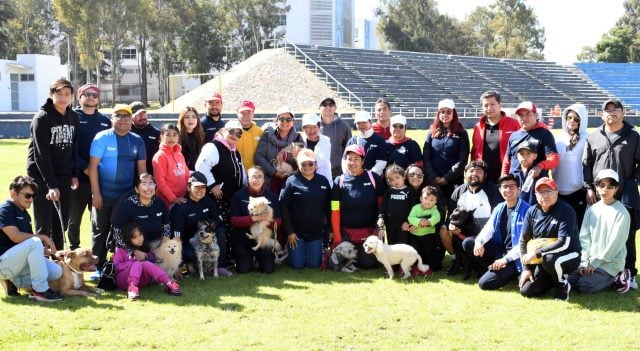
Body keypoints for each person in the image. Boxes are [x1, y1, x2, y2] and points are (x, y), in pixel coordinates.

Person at [583, 98, 640, 290]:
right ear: (601, 115)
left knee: (628, 235)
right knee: (600, 232)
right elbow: (587, 164)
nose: (611, 113)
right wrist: (589, 187)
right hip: (601, 193)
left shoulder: (633, 136)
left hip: (625, 193)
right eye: (607, 110)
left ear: (623, 113)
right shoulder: (593, 136)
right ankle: (603, 269)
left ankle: (629, 273)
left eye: (616, 110)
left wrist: (633, 182)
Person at [89, 104, 146, 278]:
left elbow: (142, 170)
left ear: (131, 120)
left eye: (126, 116)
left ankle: (121, 263)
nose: (122, 119)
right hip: (104, 195)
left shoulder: (137, 139)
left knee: (124, 231)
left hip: (127, 196)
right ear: (111, 119)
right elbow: (92, 168)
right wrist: (96, 194)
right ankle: (96, 266)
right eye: (118, 116)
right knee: (100, 231)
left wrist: (142, 192)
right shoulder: (102, 138)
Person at [26, 78, 79, 251]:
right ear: (51, 94)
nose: (63, 98)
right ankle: (41, 265)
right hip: (42, 177)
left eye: (67, 94)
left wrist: (74, 174)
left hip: (63, 175)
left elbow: (74, 147)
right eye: (59, 94)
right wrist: (51, 185)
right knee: (44, 224)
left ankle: (58, 265)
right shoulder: (42, 118)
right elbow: (41, 155)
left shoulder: (73, 117)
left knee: (61, 223)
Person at [0, 175, 63, 301]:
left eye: (33, 196)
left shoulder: (24, 213)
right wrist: (43, 237)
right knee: (35, 241)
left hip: (16, 263)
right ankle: (40, 291)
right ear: (13, 193)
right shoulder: (5, 209)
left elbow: (30, 248)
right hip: (3, 263)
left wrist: (53, 253)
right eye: (27, 196)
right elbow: (15, 236)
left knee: (57, 271)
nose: (31, 200)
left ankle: (13, 281)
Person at [568, 169, 630, 294]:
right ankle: (590, 275)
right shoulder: (592, 210)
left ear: (616, 189)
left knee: (584, 286)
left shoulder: (622, 213)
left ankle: (617, 276)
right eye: (601, 185)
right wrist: (585, 261)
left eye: (610, 186)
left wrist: (596, 263)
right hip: (591, 261)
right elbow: (584, 237)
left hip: (609, 262)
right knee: (567, 280)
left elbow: (615, 244)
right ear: (596, 187)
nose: (605, 190)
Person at [464, 174, 530, 290]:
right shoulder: (499, 207)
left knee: (484, 284)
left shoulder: (527, 210)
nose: (508, 190)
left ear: (519, 189)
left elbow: (525, 244)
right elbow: (488, 229)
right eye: (504, 187)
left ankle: (513, 273)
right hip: (499, 252)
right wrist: (479, 242)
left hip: (515, 258)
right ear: (500, 190)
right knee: (469, 243)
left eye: (512, 186)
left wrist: (505, 260)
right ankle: (493, 268)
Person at [519, 177, 581, 302]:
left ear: (556, 192)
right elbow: (523, 241)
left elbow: (564, 243)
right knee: (527, 291)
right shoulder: (531, 212)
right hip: (544, 260)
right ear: (535, 195)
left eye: (549, 191)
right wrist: (526, 269)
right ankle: (555, 278)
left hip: (569, 254)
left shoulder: (566, 211)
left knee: (550, 258)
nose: (545, 195)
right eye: (541, 192)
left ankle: (562, 285)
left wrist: (537, 253)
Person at [196, 120, 247, 265]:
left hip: (232, 198)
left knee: (230, 229)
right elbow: (201, 166)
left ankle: (229, 259)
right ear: (223, 131)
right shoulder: (213, 146)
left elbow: (241, 171)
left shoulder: (234, 150)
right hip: (217, 199)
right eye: (231, 131)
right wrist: (212, 185)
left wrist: (247, 185)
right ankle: (219, 262)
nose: (235, 135)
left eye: (239, 133)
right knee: (220, 230)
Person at [68, 83, 111, 250]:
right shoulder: (71, 118)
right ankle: (73, 250)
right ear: (79, 97)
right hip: (78, 178)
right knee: (74, 219)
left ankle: (97, 254)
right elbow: (68, 148)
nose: (91, 97)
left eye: (95, 95)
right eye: (87, 94)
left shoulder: (105, 122)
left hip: (99, 181)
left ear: (98, 99)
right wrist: (84, 168)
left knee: (99, 221)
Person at [442, 161, 501, 276]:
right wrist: (451, 225)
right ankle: (456, 261)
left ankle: (485, 266)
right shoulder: (458, 191)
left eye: (478, 171)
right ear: (465, 175)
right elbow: (450, 214)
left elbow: (498, 218)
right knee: (444, 230)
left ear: (485, 175)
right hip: (463, 234)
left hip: (487, 237)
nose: (474, 173)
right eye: (471, 171)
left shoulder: (493, 191)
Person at [331, 144, 386, 269]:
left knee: (368, 264)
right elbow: (335, 211)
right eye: (349, 159)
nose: (352, 162)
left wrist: (378, 231)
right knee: (345, 262)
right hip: (346, 232)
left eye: (356, 159)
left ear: (363, 161)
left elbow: (381, 208)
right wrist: (338, 237)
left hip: (369, 232)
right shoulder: (338, 181)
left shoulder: (374, 178)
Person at [170, 171, 231, 276]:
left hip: (206, 238)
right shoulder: (180, 207)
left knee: (220, 231)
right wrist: (176, 264)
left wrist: (207, 227)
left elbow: (219, 220)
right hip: (189, 242)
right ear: (189, 187)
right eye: (197, 187)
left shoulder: (208, 201)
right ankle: (188, 265)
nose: (200, 190)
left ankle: (220, 266)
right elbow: (176, 237)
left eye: (203, 187)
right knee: (191, 253)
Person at [280, 149, 332, 269]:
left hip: (316, 232)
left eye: (310, 163)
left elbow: (330, 206)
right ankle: (290, 252)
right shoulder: (291, 181)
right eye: (303, 164)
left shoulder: (323, 181)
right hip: (296, 234)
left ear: (316, 164)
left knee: (313, 264)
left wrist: (330, 229)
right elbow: (283, 207)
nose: (307, 167)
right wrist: (290, 232)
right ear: (298, 165)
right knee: (297, 265)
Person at [230, 166, 282, 274]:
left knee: (268, 270)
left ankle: (259, 259)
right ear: (248, 178)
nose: (256, 180)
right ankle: (249, 259)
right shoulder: (238, 195)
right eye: (253, 176)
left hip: (264, 240)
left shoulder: (271, 196)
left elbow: (279, 220)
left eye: (259, 177)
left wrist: (267, 222)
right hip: (244, 240)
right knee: (243, 270)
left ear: (264, 179)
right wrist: (255, 218)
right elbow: (234, 220)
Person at [113, 222, 181, 300]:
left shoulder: (146, 250)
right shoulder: (121, 250)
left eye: (140, 235)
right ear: (128, 239)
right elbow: (116, 266)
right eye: (135, 237)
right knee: (138, 264)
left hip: (142, 281)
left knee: (146, 264)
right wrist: (133, 263)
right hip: (124, 280)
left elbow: (151, 267)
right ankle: (132, 288)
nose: (139, 239)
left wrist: (146, 259)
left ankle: (169, 283)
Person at [423, 99, 469, 204]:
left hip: (454, 180)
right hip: (433, 180)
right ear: (438, 114)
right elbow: (426, 156)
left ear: (454, 113)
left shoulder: (461, 132)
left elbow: (463, 159)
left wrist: (447, 178)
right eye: (442, 112)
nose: (445, 114)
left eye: (448, 112)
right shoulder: (431, 131)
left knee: (454, 210)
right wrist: (434, 176)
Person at [111, 173, 170, 251]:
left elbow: (166, 226)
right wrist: (133, 251)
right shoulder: (127, 206)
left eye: (151, 184)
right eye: (144, 184)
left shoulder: (160, 203)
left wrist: (165, 244)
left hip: (156, 245)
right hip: (134, 248)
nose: (148, 188)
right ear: (136, 189)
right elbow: (117, 233)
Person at [471, 90, 520, 183]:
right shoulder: (478, 127)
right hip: (483, 177)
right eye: (486, 105)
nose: (489, 108)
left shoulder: (514, 124)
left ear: (500, 105)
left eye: (492, 104)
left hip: (507, 175)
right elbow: (474, 152)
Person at [501, 101, 559, 179]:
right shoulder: (513, 136)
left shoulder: (544, 134)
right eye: (521, 115)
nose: (524, 118)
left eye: (528, 114)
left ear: (536, 115)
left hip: (536, 184)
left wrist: (539, 166)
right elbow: (507, 161)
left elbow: (554, 159)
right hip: (514, 186)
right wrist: (504, 177)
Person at [255, 105, 302, 193]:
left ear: (293, 122)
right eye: (282, 119)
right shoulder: (267, 136)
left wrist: (299, 154)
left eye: (288, 119)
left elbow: (304, 160)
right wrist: (274, 172)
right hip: (269, 181)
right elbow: (258, 157)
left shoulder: (298, 138)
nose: (285, 122)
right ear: (276, 120)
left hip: (291, 182)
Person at [555, 103, 589, 226]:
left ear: (582, 120)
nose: (572, 121)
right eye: (569, 117)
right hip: (558, 193)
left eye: (576, 119)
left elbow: (588, 164)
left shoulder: (587, 138)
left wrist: (589, 188)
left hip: (578, 191)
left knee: (577, 228)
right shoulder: (558, 138)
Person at [152, 123, 189, 208]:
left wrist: (188, 190)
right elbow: (160, 182)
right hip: (167, 201)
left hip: (182, 198)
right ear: (161, 137)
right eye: (168, 135)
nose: (171, 138)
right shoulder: (160, 156)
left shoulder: (179, 154)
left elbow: (186, 173)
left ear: (178, 137)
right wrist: (173, 198)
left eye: (174, 135)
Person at [378, 164, 416, 246]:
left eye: (397, 177)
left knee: (403, 246)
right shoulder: (388, 192)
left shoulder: (410, 191)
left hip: (404, 225)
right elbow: (383, 206)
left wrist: (408, 221)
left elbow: (413, 208)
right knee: (392, 245)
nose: (395, 181)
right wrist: (381, 217)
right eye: (391, 180)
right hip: (390, 224)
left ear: (404, 176)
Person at [407, 186, 441, 274]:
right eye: (426, 198)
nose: (428, 201)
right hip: (415, 236)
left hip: (428, 235)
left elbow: (437, 217)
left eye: (432, 200)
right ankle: (416, 267)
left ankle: (427, 267)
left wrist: (429, 221)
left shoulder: (434, 209)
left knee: (428, 252)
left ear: (435, 201)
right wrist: (419, 221)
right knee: (416, 252)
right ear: (421, 199)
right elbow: (410, 217)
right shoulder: (415, 208)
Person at [343, 111, 388, 176]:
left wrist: (370, 175)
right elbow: (344, 160)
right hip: (354, 178)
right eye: (358, 123)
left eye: (364, 122)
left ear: (370, 122)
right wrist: (348, 174)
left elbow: (382, 161)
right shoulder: (352, 140)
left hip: (373, 179)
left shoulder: (379, 140)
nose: (361, 125)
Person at [319, 97, 352, 178]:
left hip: (339, 172)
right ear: (319, 108)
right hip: (318, 171)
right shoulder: (313, 126)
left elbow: (349, 149)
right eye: (324, 105)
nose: (328, 107)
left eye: (331, 105)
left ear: (335, 108)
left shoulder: (344, 126)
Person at [300, 113, 333, 186]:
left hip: (323, 180)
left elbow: (320, 160)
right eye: (308, 127)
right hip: (303, 181)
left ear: (319, 127)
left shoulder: (325, 141)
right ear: (303, 128)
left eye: (314, 127)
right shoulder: (299, 140)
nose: (311, 130)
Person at [130, 101, 160, 176]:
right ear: (131, 116)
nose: (142, 116)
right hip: (130, 176)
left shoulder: (156, 133)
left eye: (144, 113)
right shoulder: (127, 132)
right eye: (138, 114)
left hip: (151, 177)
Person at [236, 100, 263, 171]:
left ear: (253, 113)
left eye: (249, 112)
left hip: (255, 175)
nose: (245, 116)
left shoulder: (260, 132)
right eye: (242, 113)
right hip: (237, 173)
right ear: (237, 114)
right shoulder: (231, 131)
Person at [512, 141, 540, 205]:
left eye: (528, 153)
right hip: (517, 209)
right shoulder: (513, 173)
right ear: (517, 156)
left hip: (535, 210)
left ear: (535, 156)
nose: (524, 157)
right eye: (521, 154)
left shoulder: (540, 173)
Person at [177, 106, 205, 171]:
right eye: (187, 117)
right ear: (182, 119)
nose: (191, 120)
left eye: (194, 117)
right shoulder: (177, 137)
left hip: (198, 173)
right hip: (182, 174)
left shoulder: (201, 136)